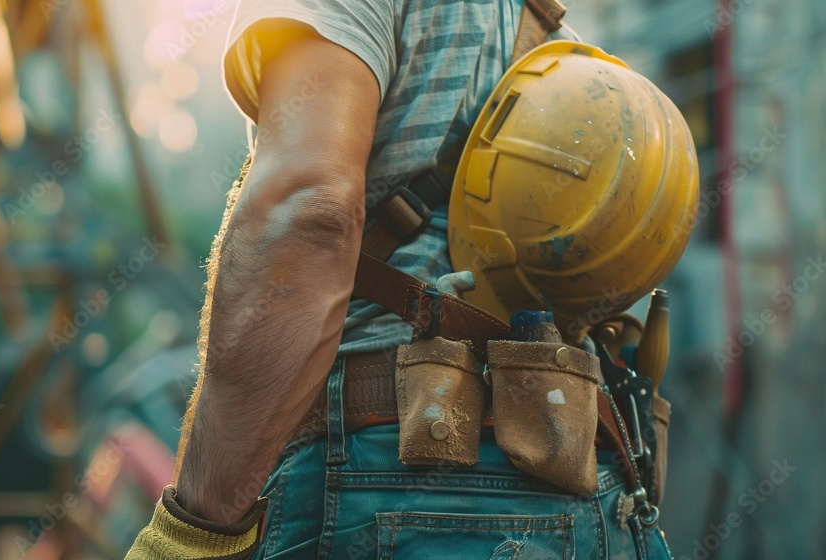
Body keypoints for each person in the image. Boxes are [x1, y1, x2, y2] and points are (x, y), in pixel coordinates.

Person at [125, 0, 691, 557]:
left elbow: (309, 213)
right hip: (582, 485)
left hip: (383, 479)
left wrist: (196, 525)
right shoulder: (556, 40)